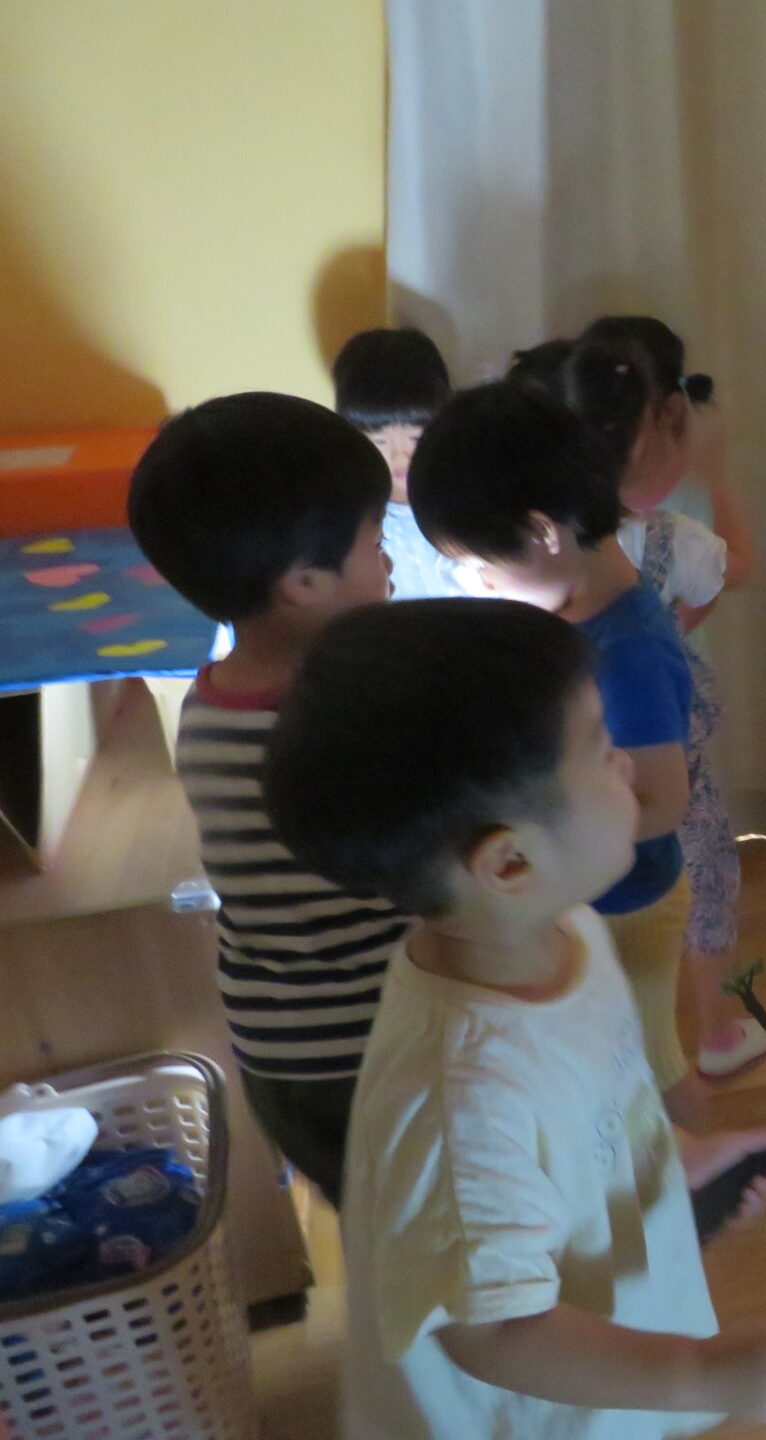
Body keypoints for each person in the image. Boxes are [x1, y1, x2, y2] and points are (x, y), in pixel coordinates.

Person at [261, 599, 766, 1438]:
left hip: (609, 1331)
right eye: (602, 749)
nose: (628, 766)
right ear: (510, 862)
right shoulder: (463, 1101)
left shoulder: (558, 928)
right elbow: (496, 1332)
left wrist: (670, 1160)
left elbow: (584, 1106)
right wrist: (700, 1373)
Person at [126, 392, 399, 1207]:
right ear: (304, 583)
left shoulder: (208, 706)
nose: (389, 563)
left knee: (389, 1233)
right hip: (378, 1052)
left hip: (281, 1060)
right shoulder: (348, 718)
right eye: (376, 544)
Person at [407, 382, 705, 1119]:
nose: (476, 583)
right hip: (584, 890)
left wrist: (546, 846)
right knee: (597, 1060)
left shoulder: (627, 650)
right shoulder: (568, 608)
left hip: (631, 903)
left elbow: (664, 801)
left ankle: (703, 1169)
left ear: (543, 533)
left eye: (481, 565)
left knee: (651, 1064)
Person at [564, 318, 766, 1082]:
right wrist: (721, 476)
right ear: (668, 424)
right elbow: (738, 569)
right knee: (704, 873)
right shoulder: (671, 539)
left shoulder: (544, 539)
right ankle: (717, 1031)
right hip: (665, 749)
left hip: (577, 759)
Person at [331, 326, 464, 600]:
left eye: (415, 437)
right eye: (379, 441)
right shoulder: (356, 514)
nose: (399, 456)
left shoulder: (462, 496)